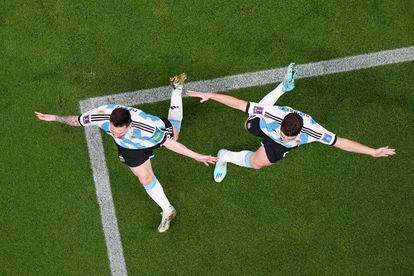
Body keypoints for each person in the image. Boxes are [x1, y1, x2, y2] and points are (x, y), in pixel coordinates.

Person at [35, 74, 217, 233]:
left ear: (129, 125)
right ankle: (167, 210)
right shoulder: (101, 115)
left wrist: (197, 156)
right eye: (113, 131)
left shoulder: (146, 128)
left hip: (151, 136)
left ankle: (177, 88)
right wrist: (55, 118)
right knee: (145, 177)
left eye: (119, 132)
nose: (114, 134)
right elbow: (76, 120)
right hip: (130, 148)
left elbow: (170, 144)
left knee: (175, 134)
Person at [187, 64, 396, 183]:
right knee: (249, 124)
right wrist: (211, 95)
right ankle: (283, 88)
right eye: (284, 133)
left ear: (299, 134)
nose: (285, 135)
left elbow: (341, 142)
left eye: (290, 137)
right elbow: (239, 104)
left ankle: (224, 155)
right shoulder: (275, 114)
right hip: (265, 126)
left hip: (279, 147)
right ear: (282, 123)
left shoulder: (313, 131)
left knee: (257, 164)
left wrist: (372, 152)